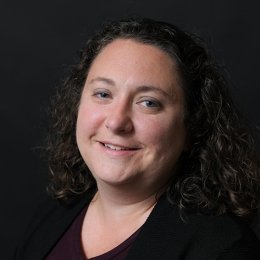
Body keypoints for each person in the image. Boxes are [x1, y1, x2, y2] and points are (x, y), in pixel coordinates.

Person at [14, 18, 260, 259]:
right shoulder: (55, 212)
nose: (117, 122)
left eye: (148, 102)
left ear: (192, 128)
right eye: (103, 94)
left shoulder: (224, 249)